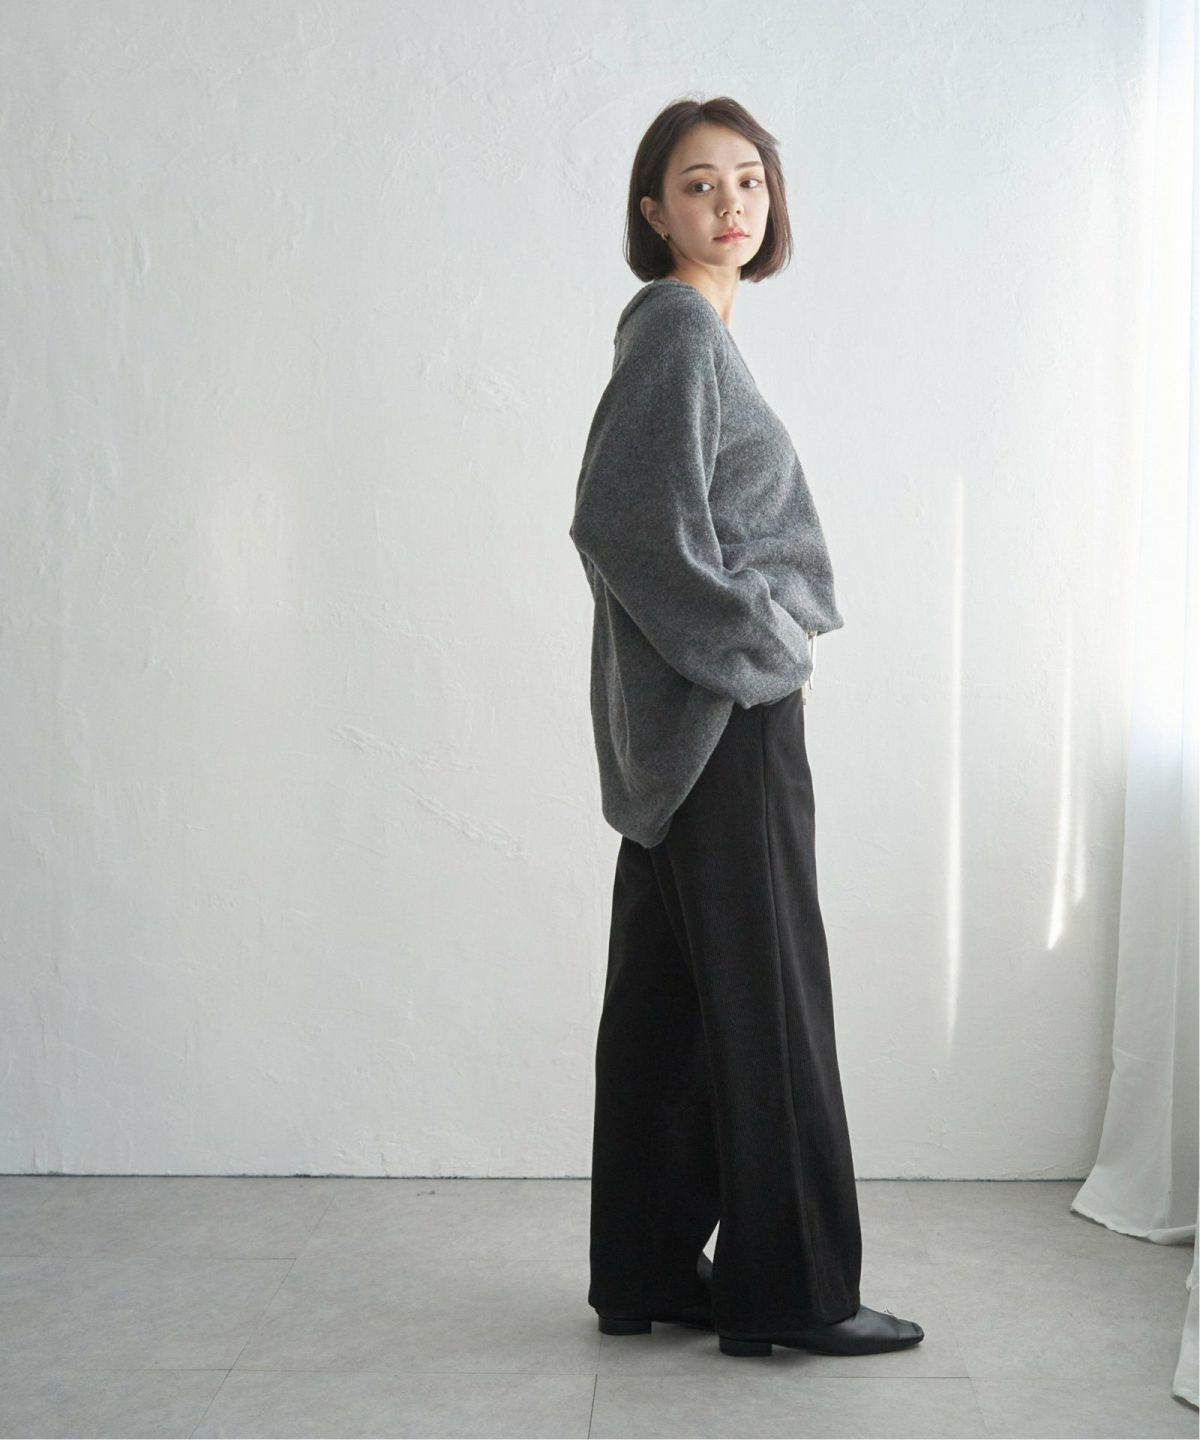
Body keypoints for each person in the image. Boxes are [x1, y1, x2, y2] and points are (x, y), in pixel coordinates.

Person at [568, 95, 925, 1359]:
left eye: (749, 181)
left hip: (687, 727)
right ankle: (796, 1292)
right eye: (699, 184)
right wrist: (763, 647)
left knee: (669, 1010)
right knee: (773, 1002)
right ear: (653, 210)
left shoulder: (691, 335)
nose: (730, 203)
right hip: (726, 720)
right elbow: (623, 526)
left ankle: (647, 1269)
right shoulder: (677, 327)